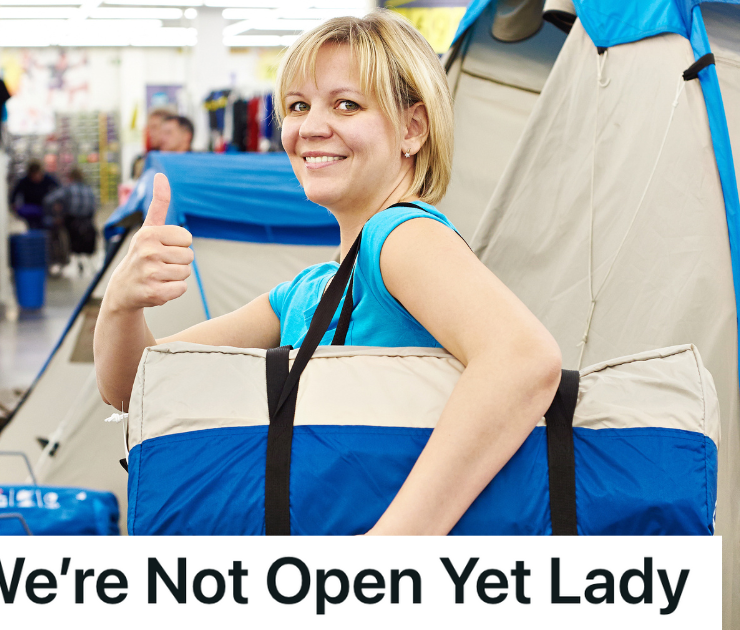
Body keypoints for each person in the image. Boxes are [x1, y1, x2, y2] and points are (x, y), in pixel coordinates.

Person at [93, 11, 562, 536]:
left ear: (412, 129)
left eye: (346, 104)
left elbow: (524, 359)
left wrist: (389, 548)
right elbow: (137, 383)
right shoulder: (308, 290)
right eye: (298, 106)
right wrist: (121, 302)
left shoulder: (399, 237)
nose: (311, 127)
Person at [44, 166, 98, 272]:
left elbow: (48, 200)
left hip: (71, 223)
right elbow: (93, 209)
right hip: (87, 224)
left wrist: (56, 212)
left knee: (53, 228)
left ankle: (59, 260)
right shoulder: (89, 190)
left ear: (71, 178)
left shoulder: (68, 189)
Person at [9, 160, 59, 230]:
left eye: (38, 175)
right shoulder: (24, 181)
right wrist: (13, 203)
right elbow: (15, 192)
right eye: (33, 176)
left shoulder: (47, 178)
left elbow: (59, 188)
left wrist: (57, 202)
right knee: (30, 226)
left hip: (44, 208)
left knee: (45, 225)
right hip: (29, 208)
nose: (36, 178)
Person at [131, 108, 174, 179]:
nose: (150, 133)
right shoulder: (141, 161)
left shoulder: (179, 159)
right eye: (149, 128)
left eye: (154, 127)